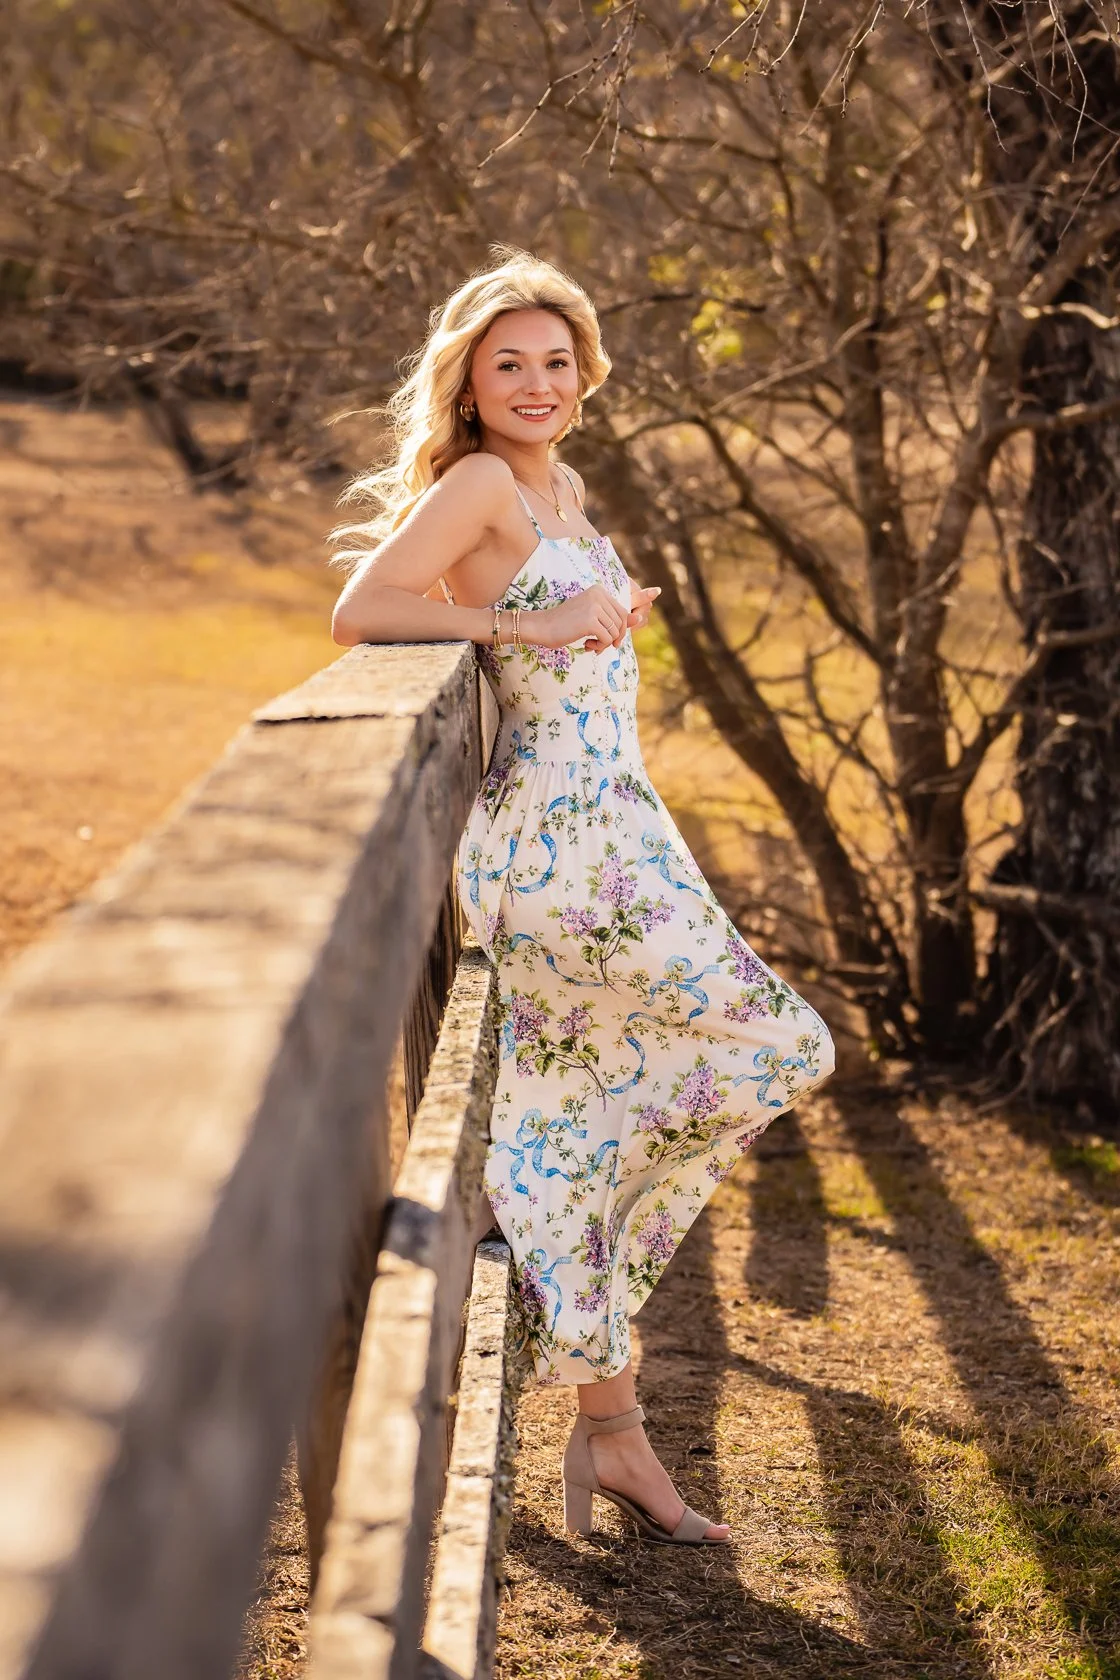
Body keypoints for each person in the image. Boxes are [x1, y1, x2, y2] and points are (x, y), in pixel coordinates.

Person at [331, 248, 836, 1545]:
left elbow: (571, 645)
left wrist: (603, 615)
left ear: (585, 371)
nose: (539, 381)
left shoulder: (561, 484)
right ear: (471, 379)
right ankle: (529, 1198)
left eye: (558, 360)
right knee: (786, 1040)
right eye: (511, 363)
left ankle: (612, 1427)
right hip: (554, 848)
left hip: (622, 827)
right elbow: (360, 607)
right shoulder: (484, 481)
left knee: (581, 1117)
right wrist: (530, 629)